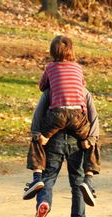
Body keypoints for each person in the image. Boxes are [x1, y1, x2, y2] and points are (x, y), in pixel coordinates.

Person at [23, 35, 99, 206]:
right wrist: (90, 139)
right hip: (77, 118)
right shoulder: (78, 68)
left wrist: (41, 135)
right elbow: (82, 85)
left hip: (57, 116)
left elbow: (42, 87)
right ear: (72, 51)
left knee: (38, 138)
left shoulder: (50, 67)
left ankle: (37, 179)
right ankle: (88, 179)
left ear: (52, 52)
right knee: (93, 141)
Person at [29, 89, 100, 217]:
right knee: (78, 181)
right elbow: (93, 117)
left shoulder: (51, 92)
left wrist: (36, 133)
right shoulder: (83, 92)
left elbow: (38, 113)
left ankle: (44, 203)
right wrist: (92, 138)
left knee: (48, 178)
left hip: (53, 139)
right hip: (78, 141)